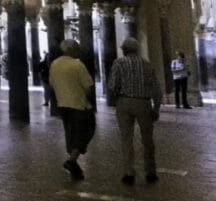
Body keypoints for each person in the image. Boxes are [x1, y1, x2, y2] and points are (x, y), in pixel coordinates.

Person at [107, 37, 162, 184]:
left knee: (126, 138)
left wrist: (115, 98)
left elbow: (113, 85)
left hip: (124, 101)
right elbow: (156, 88)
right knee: (147, 138)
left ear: (124, 49)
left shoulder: (119, 63)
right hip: (143, 102)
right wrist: (156, 107)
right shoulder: (147, 64)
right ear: (137, 49)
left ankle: (129, 172)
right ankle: (150, 171)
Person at [49, 39, 95, 180]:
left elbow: (51, 84)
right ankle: (72, 160)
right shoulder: (77, 64)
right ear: (72, 50)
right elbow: (88, 86)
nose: (79, 51)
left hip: (63, 104)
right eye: (77, 49)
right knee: (87, 130)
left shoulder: (54, 64)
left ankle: (73, 162)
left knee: (70, 132)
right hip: (79, 104)